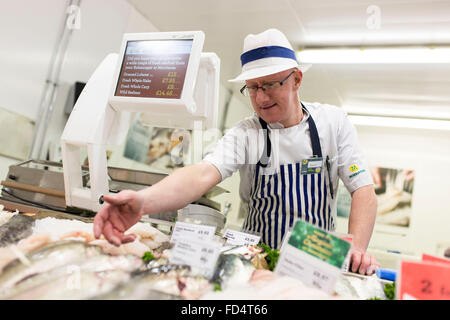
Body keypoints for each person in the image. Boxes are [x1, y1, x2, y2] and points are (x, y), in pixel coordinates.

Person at [94, 28, 379, 275]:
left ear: (296, 79)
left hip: (316, 263)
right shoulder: (247, 132)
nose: (261, 98)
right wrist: (143, 201)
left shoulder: (333, 123)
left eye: (269, 84)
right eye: (252, 88)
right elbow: (202, 174)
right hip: (255, 262)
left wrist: (355, 246)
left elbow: (363, 190)